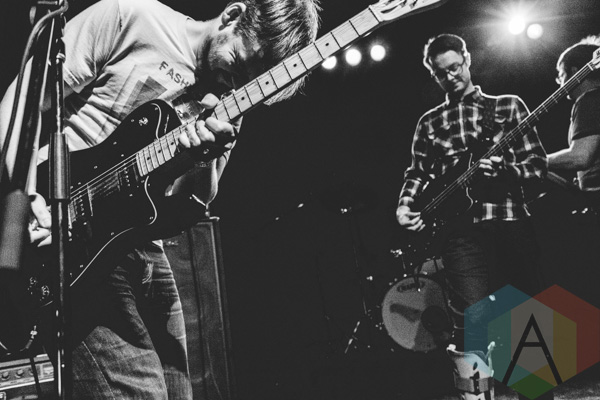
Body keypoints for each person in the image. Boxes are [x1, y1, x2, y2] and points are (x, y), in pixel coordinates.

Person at [0, 0, 320, 398]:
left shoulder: (230, 101)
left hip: (137, 244)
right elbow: (23, 103)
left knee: (180, 390)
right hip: (60, 233)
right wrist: (23, 197)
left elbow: (189, 206)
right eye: (238, 64)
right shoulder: (132, 17)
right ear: (233, 15)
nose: (235, 84)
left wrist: (205, 158)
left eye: (248, 82)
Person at [395, 34, 549, 400]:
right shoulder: (429, 123)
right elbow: (417, 172)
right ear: (432, 75)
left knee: (526, 316)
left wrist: (507, 171)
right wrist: (405, 206)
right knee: (472, 320)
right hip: (460, 233)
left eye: (455, 67)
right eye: (441, 73)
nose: (450, 77)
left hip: (509, 220)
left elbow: (538, 167)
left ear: (467, 60)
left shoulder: (508, 106)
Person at [548, 36, 600, 213]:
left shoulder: (589, 99)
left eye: (561, 75)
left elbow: (581, 157)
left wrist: (536, 161)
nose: (560, 83)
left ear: (575, 71)